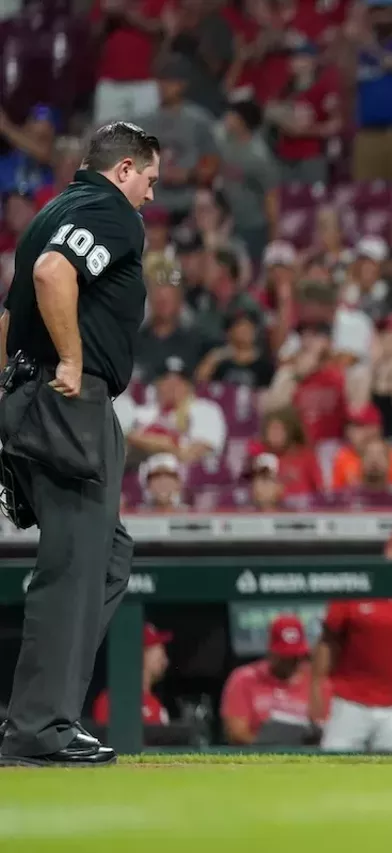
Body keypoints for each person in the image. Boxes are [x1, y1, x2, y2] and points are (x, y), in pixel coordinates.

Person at [0, 122, 160, 768]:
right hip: (70, 400)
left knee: (107, 554)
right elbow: (50, 274)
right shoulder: (108, 210)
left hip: (37, 397)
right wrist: (69, 359)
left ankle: (48, 710)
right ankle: (38, 729)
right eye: (149, 179)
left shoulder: (51, 212)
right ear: (124, 171)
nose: (150, 194)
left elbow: (9, 315)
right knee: (73, 564)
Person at [309, 525, 392, 752]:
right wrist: (316, 689)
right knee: (333, 770)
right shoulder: (357, 584)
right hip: (349, 701)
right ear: (391, 550)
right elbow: (328, 641)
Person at [221, 614, 328, 746]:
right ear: (271, 652)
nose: (291, 662)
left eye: (295, 656)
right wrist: (271, 746)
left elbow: (326, 728)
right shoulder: (244, 679)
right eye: (285, 657)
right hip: (259, 759)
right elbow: (236, 733)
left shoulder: (317, 682)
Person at [90, 622, 171, 732]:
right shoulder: (114, 699)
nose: (163, 654)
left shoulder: (155, 703)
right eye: (157, 647)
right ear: (141, 654)